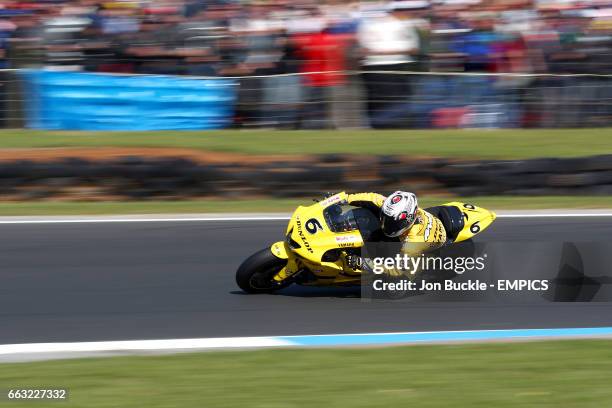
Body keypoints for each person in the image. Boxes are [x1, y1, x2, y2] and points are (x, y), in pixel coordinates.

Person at [342, 191, 447, 274]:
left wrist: (363, 263)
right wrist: (344, 198)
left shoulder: (413, 242)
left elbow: (396, 269)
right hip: (427, 222)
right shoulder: (392, 208)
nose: (385, 223)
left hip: (425, 244)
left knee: (397, 281)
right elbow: (372, 198)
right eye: (385, 218)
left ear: (408, 220)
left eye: (392, 222)